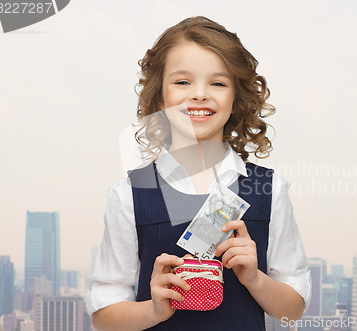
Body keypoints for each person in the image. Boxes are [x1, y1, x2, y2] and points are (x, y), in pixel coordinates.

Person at [85, 16, 310, 331]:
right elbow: (103, 317)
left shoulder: (270, 190)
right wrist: (154, 310)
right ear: (160, 96)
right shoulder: (128, 196)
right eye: (182, 82)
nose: (200, 94)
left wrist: (254, 278)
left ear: (236, 98)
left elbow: (293, 310)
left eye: (218, 83)